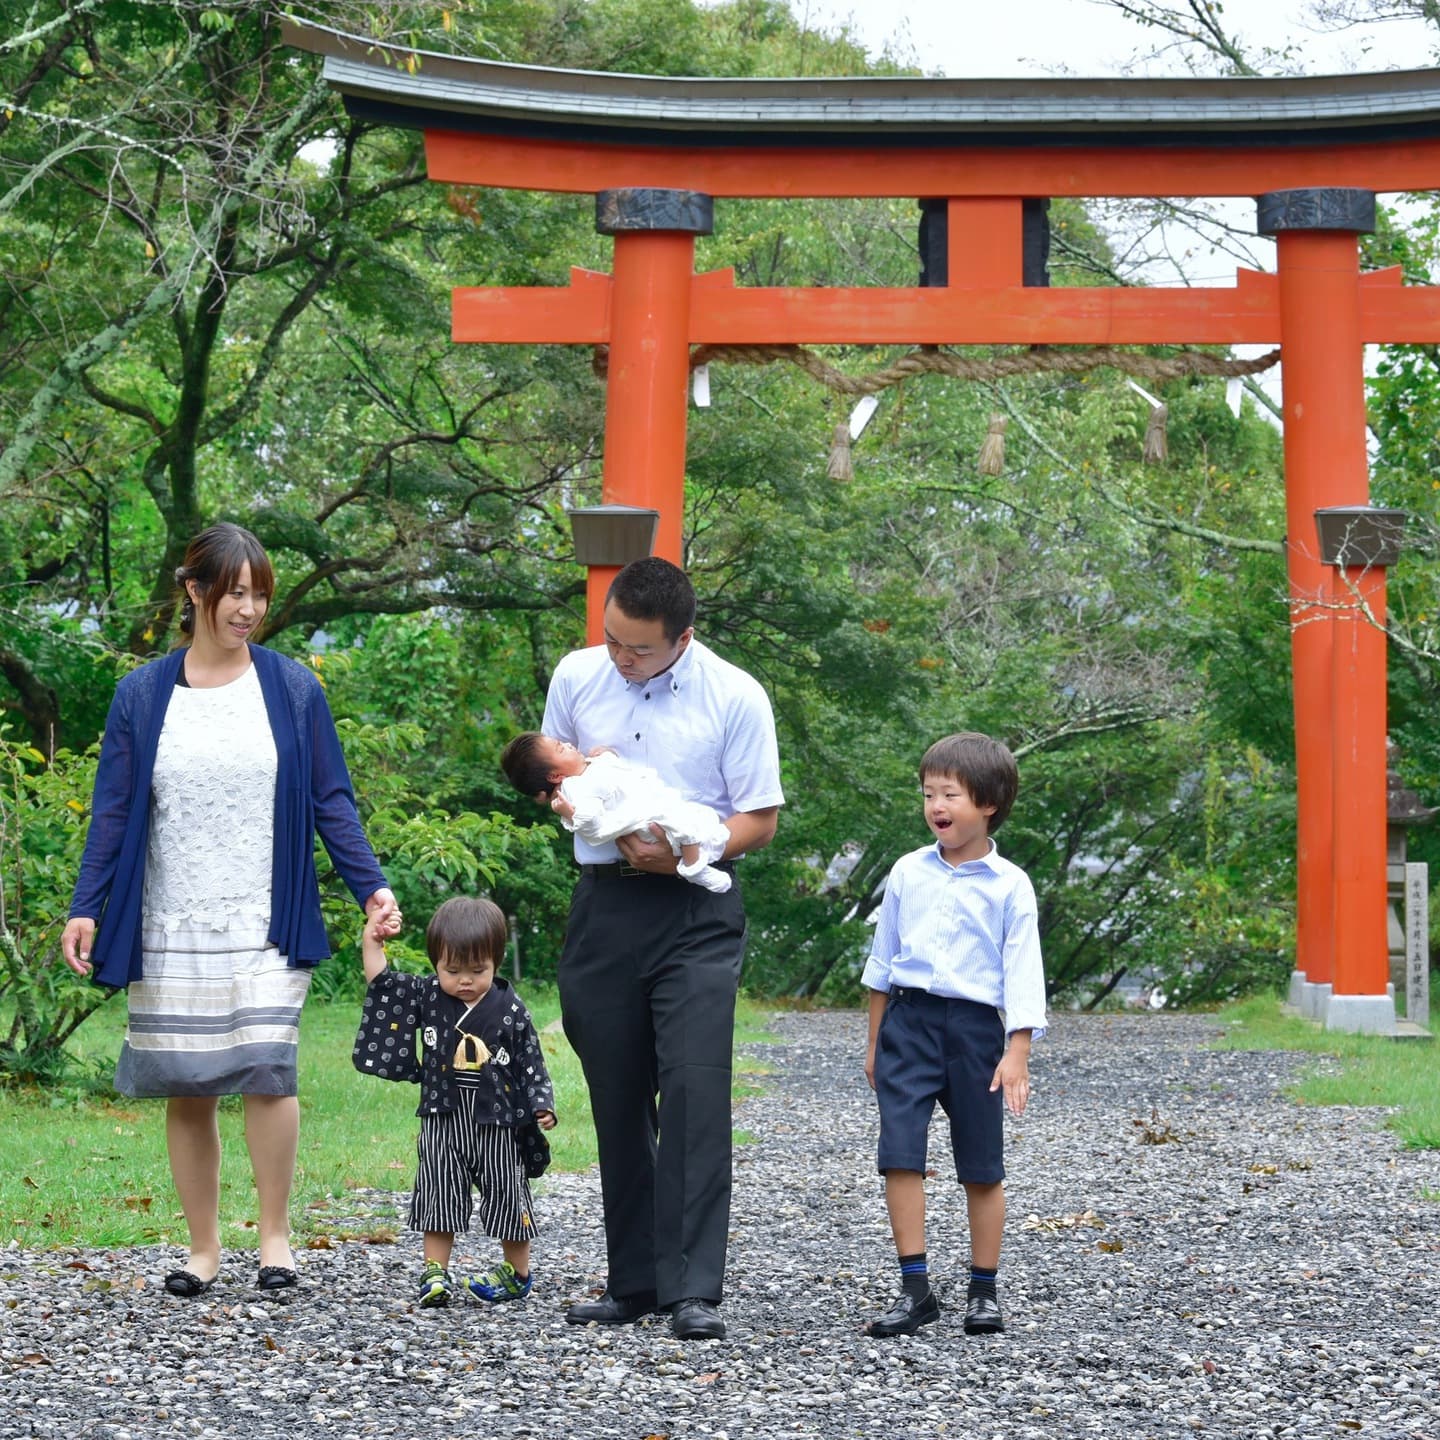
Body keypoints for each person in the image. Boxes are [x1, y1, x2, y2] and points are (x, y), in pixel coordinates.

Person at [61, 523, 399, 1297]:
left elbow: (331, 801)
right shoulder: (142, 696)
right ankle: (204, 1249)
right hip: (171, 916)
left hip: (266, 915)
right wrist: (87, 906)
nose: (248, 608)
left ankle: (275, 1240)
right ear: (194, 591)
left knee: (269, 1072)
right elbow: (111, 813)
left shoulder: (290, 688)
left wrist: (369, 886)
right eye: (233, 592)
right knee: (191, 1081)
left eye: (258, 594)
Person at [541, 556, 783, 1341]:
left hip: (695, 908)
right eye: (612, 640)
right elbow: (555, 780)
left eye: (638, 650)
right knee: (616, 1091)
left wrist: (685, 853)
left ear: (683, 637)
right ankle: (634, 1280)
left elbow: (760, 818)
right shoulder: (577, 678)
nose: (621, 659)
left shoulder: (736, 696)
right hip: (605, 905)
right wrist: (586, 811)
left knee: (692, 1087)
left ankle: (693, 1288)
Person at [861, 732, 1047, 1339]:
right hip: (908, 1024)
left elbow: (1023, 970)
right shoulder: (907, 872)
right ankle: (915, 1290)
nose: (936, 805)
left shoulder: (1009, 883)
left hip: (974, 1031)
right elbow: (882, 961)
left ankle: (983, 1291)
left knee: (981, 1165)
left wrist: (1017, 1051)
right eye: (928, 794)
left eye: (951, 794)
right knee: (899, 1154)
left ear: (988, 802)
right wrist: (874, 1041)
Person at [354, 896, 557, 1308]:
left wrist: (541, 1101)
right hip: (443, 1114)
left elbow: (530, 1058)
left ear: (496, 962)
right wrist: (371, 941)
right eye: (452, 970)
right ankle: (435, 1272)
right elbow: (383, 982)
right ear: (435, 965)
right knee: (439, 1188)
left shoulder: (511, 1008)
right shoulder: (428, 996)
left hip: (497, 1119)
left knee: (507, 1191)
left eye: (478, 971)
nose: (465, 980)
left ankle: (518, 1274)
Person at [499, 731, 734, 893]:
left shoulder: (591, 765)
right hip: (645, 822)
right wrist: (570, 813)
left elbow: (613, 767)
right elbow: (591, 823)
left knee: (701, 822)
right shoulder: (576, 788)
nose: (569, 745)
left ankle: (701, 856)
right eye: (561, 748)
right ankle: (694, 867)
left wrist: (606, 754)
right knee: (683, 824)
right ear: (555, 776)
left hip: (653, 806)